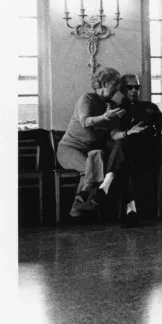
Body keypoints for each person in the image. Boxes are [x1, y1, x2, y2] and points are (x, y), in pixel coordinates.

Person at [56, 67, 126, 219]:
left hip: (91, 152)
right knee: (92, 168)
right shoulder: (87, 99)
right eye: (114, 85)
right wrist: (105, 117)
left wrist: (127, 133)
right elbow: (86, 121)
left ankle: (82, 202)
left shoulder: (112, 105)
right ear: (103, 84)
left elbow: (113, 134)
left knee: (98, 154)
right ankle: (79, 208)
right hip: (69, 149)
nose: (117, 89)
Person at [106, 74, 162, 228]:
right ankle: (131, 210)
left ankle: (133, 209)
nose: (133, 91)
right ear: (123, 89)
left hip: (149, 152)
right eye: (129, 87)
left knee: (127, 164)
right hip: (128, 154)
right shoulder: (117, 110)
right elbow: (112, 134)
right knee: (125, 162)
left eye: (136, 87)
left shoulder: (149, 107)